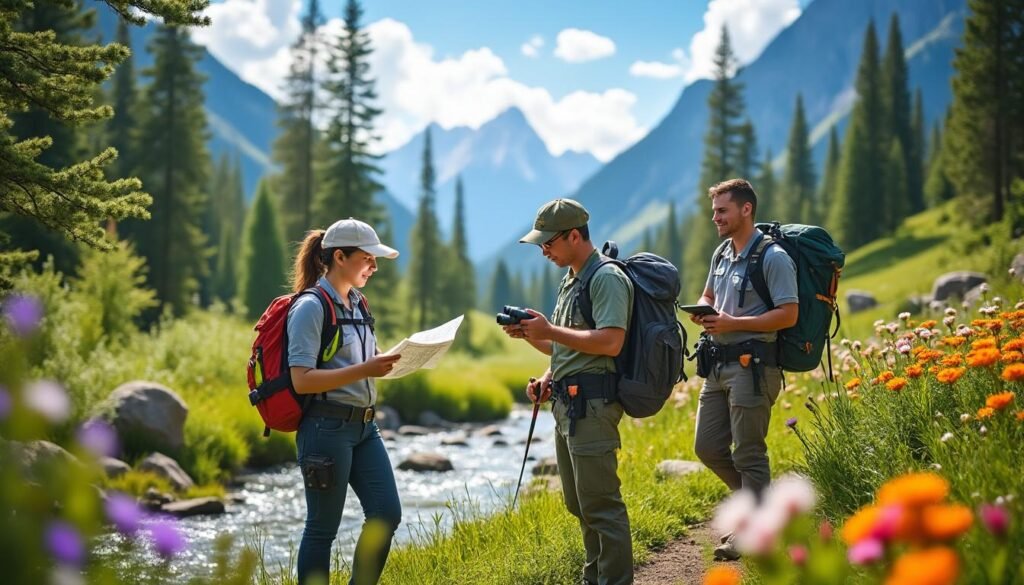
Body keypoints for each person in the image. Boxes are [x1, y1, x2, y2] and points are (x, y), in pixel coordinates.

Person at [503, 198, 635, 585]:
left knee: (602, 506)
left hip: (592, 406)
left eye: (548, 243)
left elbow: (611, 341)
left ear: (574, 236)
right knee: (580, 504)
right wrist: (541, 358)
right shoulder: (571, 280)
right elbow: (565, 346)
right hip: (568, 406)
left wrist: (549, 330)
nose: (544, 251)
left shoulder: (606, 278)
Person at [288, 217, 404, 585]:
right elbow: (301, 380)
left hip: (365, 427)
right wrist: (366, 369)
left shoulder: (358, 303)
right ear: (339, 257)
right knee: (322, 529)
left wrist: (399, 359)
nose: (374, 266)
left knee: (386, 514)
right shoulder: (311, 307)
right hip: (325, 429)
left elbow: (363, 359)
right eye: (368, 258)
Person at [689, 179, 798, 561]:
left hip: (754, 367)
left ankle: (753, 528)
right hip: (717, 365)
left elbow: (788, 313)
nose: (715, 217)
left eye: (722, 210)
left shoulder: (773, 257)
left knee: (749, 453)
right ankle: (761, 507)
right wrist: (703, 309)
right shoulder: (721, 253)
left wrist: (733, 322)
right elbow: (709, 294)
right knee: (706, 447)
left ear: (746, 209)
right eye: (714, 210)